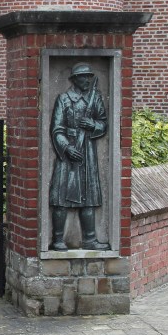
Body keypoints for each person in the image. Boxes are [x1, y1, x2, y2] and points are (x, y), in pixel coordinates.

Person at [49, 62, 110, 251]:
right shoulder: (64, 99)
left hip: (88, 152)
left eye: (90, 76)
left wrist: (93, 125)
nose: (88, 79)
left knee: (89, 196)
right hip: (68, 153)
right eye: (84, 76)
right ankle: (58, 239)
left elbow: (103, 123)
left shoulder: (96, 97)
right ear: (75, 79)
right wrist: (66, 148)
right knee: (61, 196)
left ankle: (90, 239)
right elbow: (57, 129)